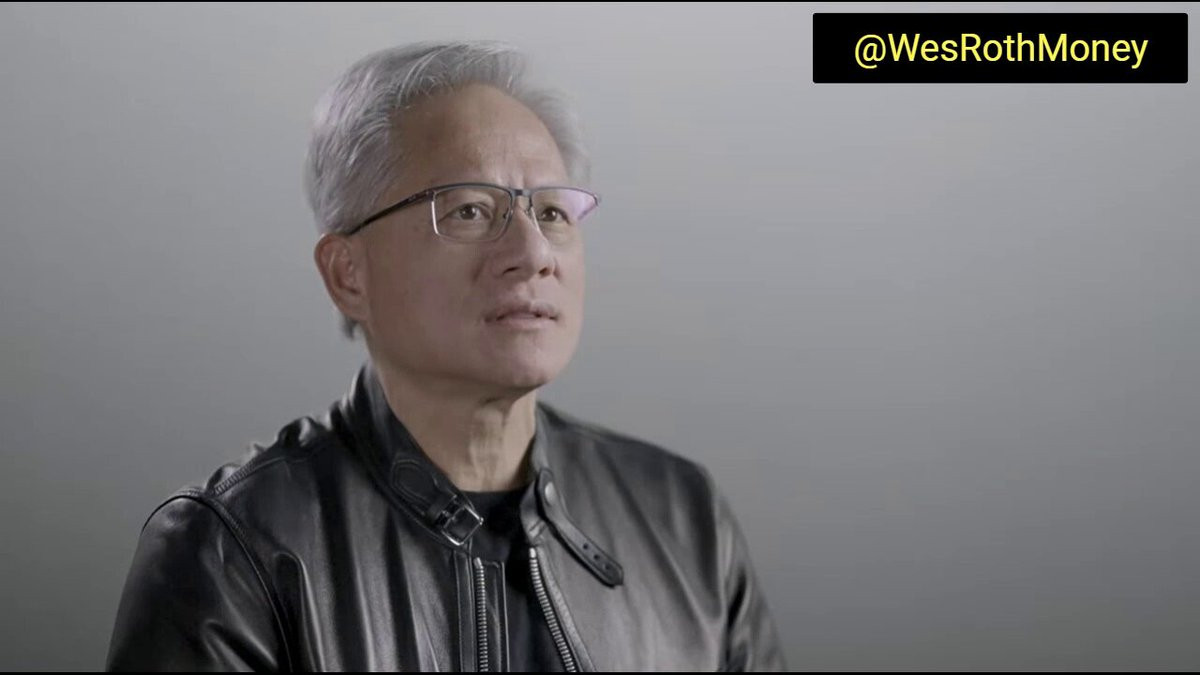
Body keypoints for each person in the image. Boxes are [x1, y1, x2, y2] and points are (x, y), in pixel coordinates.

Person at [106, 40, 786, 672]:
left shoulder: (684, 520)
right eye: (469, 210)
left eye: (551, 212)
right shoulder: (232, 552)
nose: (533, 253)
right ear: (348, 273)